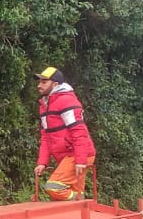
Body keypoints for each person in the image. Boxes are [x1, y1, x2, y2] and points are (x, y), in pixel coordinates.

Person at [33, 66, 96, 200]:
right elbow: (46, 137)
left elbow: (79, 132)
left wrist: (80, 160)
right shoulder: (44, 105)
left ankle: (81, 202)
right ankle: (80, 207)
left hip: (76, 154)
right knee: (74, 191)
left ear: (55, 84)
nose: (39, 85)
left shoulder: (66, 100)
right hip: (68, 156)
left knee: (53, 187)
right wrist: (42, 162)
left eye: (44, 82)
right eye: (39, 82)